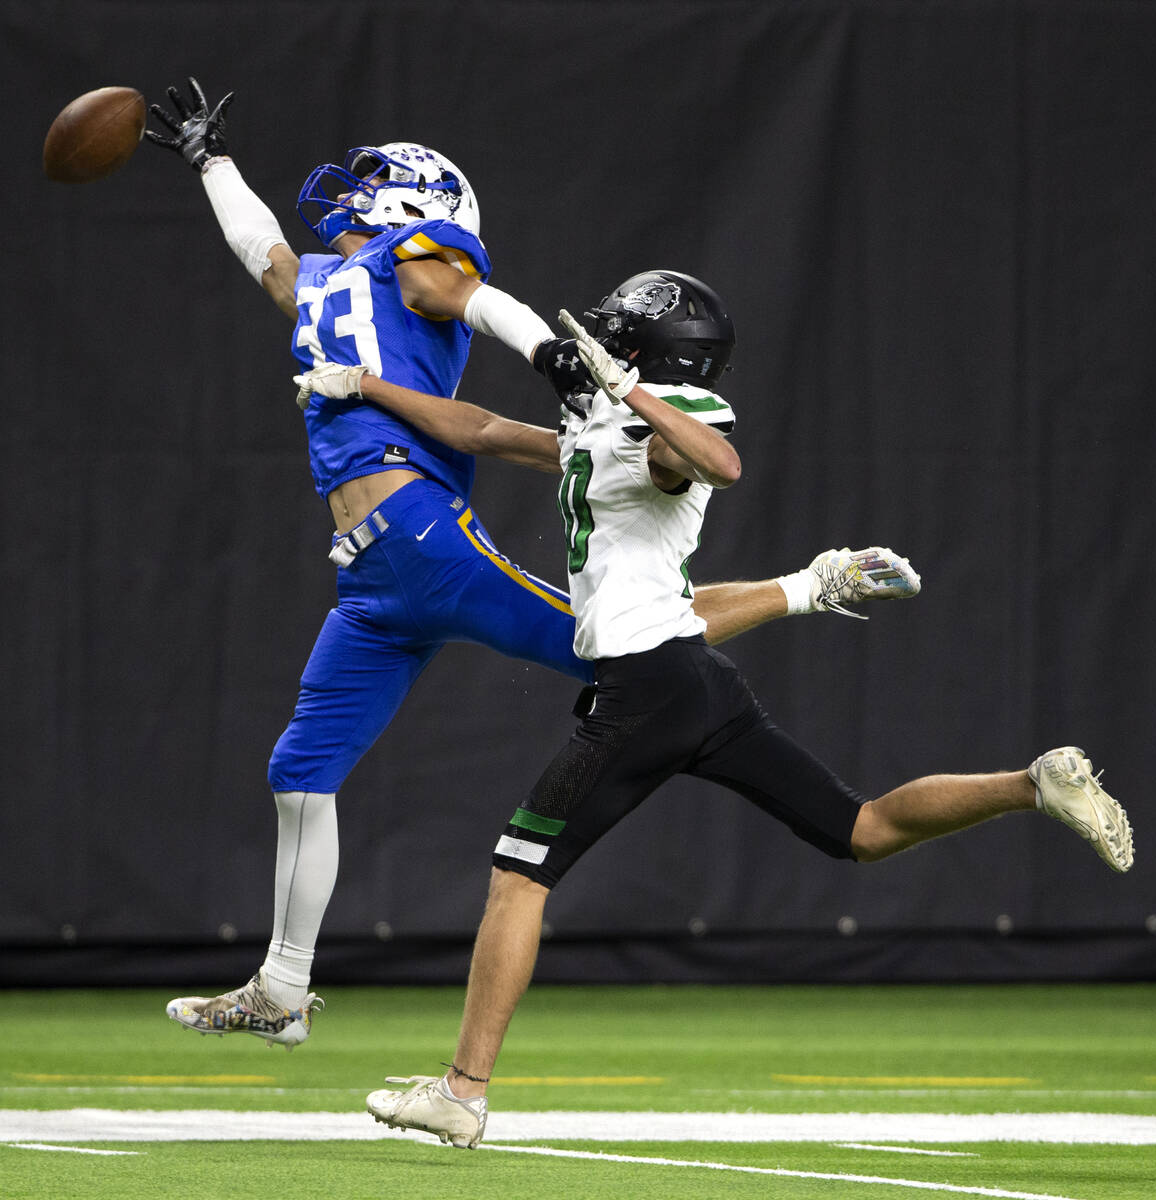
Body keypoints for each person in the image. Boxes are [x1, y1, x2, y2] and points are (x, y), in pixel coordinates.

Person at [146, 81, 919, 1050]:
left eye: (379, 180)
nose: (356, 190)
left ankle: (813, 584)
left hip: (422, 536)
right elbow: (260, 252)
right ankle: (281, 988)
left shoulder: (412, 258)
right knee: (299, 772)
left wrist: (549, 350)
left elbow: (471, 299)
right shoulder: (327, 284)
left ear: (422, 204)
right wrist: (211, 162)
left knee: (614, 637)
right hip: (370, 582)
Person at [294, 270, 1135, 1148]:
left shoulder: (670, 418)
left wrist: (629, 392)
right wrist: (368, 387)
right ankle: (1031, 784)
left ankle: (462, 1094)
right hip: (691, 677)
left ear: (648, 354)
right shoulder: (603, 422)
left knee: (518, 876)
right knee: (862, 829)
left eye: (619, 335)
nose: (601, 342)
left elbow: (717, 463)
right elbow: (483, 430)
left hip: (644, 693)